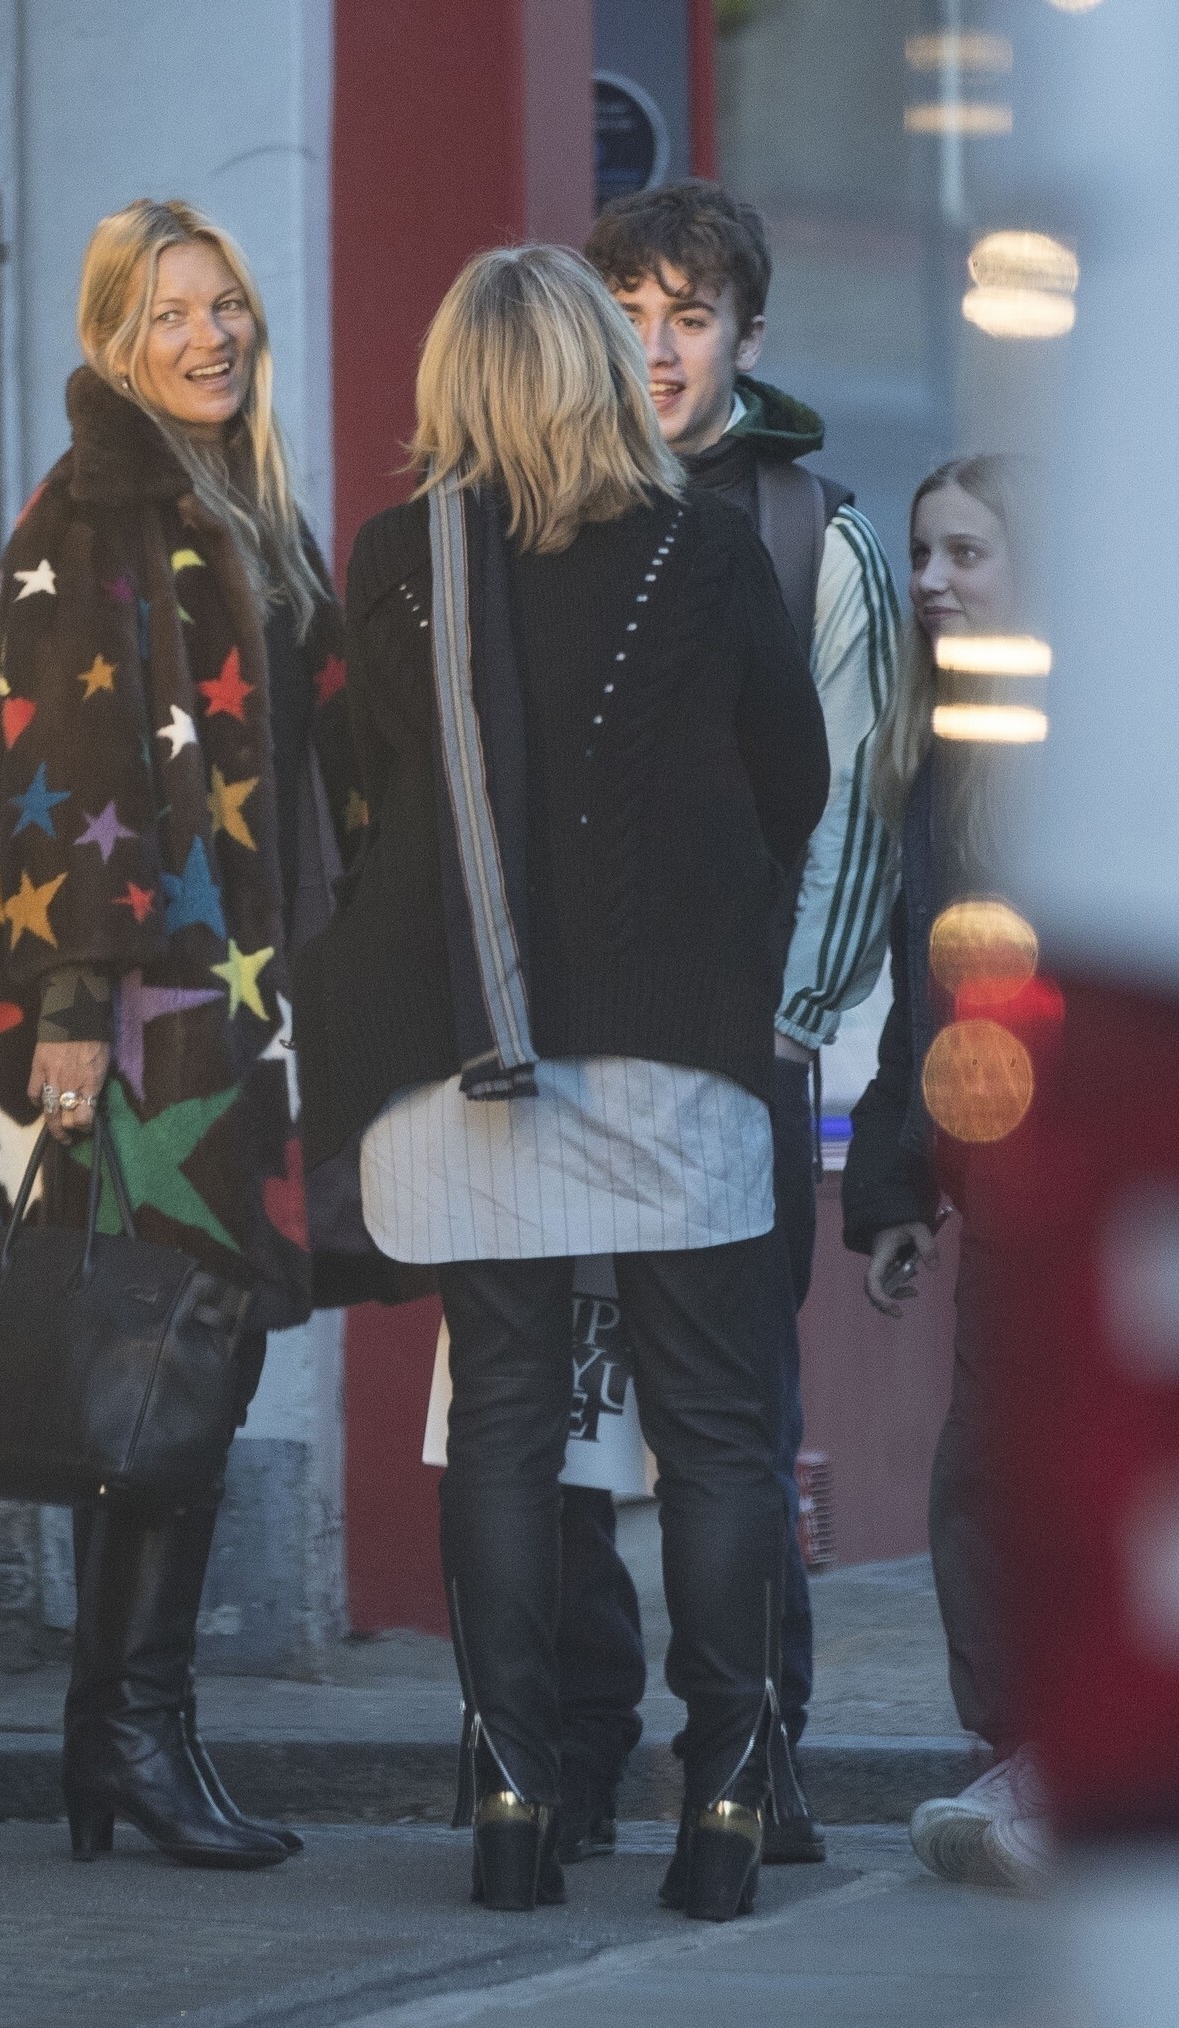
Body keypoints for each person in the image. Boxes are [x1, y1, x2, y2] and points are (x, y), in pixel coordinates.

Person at [296, 244, 829, 1917]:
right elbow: (796, 777)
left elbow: (363, 792)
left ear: (453, 380)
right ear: (604, 367)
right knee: (718, 1438)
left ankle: (516, 1800)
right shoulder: (709, 548)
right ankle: (726, 1803)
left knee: (508, 1427)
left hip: (470, 1054)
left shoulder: (396, 561)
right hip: (679, 1048)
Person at [0, 197, 368, 1868]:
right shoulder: (97, 506)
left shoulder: (245, 498)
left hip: (245, 1000)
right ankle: (134, 1739)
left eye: (226, 306)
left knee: (190, 1366)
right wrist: (70, 1013)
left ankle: (122, 1739)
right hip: (145, 1015)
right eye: (168, 314)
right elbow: (64, 765)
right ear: (111, 340)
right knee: (166, 1365)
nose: (209, 337)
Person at [554, 179, 900, 1865]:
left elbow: (853, 817)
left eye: (689, 317)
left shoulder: (811, 534)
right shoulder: (540, 507)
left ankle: (757, 1760)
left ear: (748, 337)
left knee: (732, 1431)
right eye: (628, 312)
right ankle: (577, 1750)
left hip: (739, 1057)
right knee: (564, 1429)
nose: (657, 348)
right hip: (561, 1054)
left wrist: (783, 1027)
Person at [841, 453, 1048, 1892]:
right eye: (922, 553)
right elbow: (925, 1001)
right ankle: (1032, 1754)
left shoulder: (1072, 741)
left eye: (965, 553)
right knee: (986, 1476)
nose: (931, 581)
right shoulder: (941, 743)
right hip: (996, 1180)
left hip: (1081, 1175)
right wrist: (898, 1185)